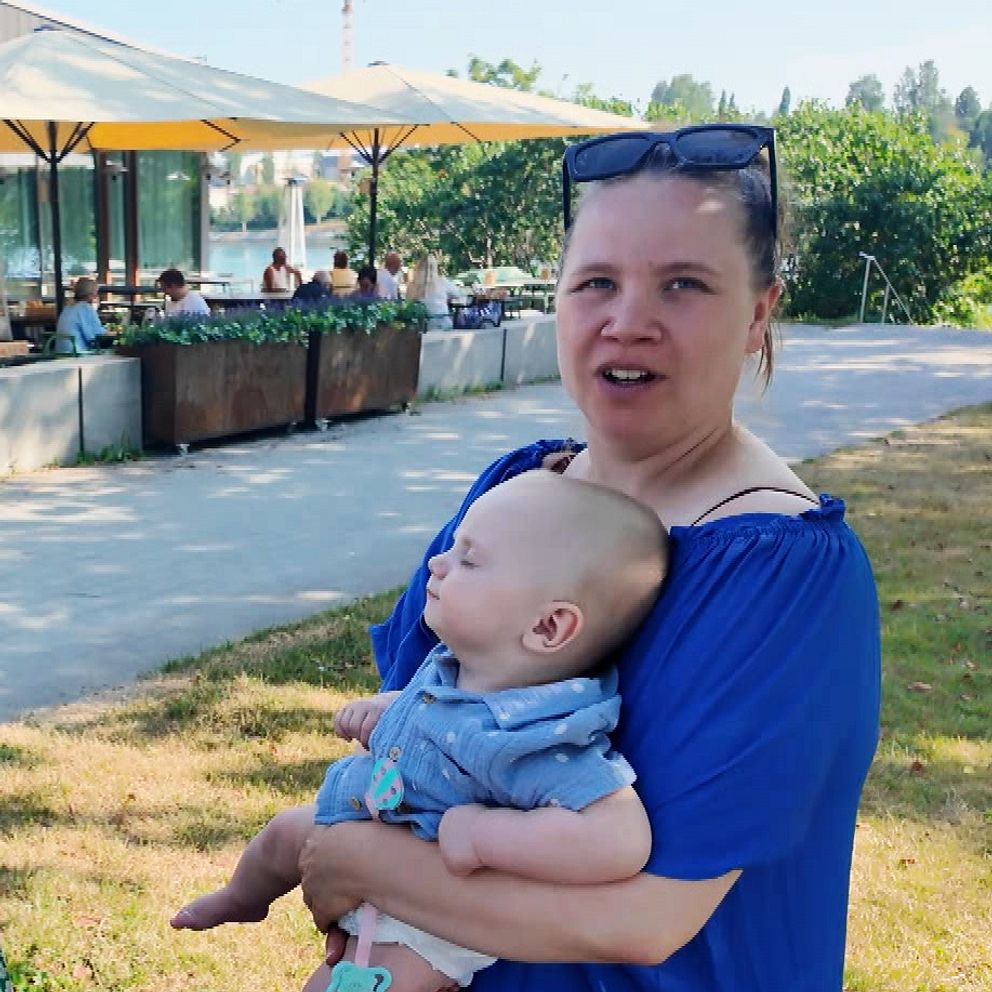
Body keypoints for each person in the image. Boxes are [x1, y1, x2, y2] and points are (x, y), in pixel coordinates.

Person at [297, 125, 882, 992]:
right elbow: (422, 754)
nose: (627, 322)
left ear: (759, 313)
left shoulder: (781, 575)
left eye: (684, 284)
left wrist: (348, 859)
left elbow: (644, 923)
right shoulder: (520, 491)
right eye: (597, 282)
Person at [171, 470, 667, 992]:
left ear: (548, 626)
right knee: (281, 833)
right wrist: (383, 710)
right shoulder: (456, 665)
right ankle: (243, 898)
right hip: (367, 821)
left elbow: (620, 839)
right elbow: (431, 714)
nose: (438, 562)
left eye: (469, 560)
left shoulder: (536, 735)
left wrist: (481, 835)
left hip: (426, 919)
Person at [406, 254, 457, 330]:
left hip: (419, 326)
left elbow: (408, 303)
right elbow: (458, 294)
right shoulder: (442, 281)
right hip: (441, 323)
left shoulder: (411, 285)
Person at [54, 276, 102, 354]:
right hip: (77, 354)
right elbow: (97, 335)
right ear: (91, 295)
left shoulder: (67, 308)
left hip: (60, 353)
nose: (96, 296)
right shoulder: (85, 308)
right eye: (96, 293)